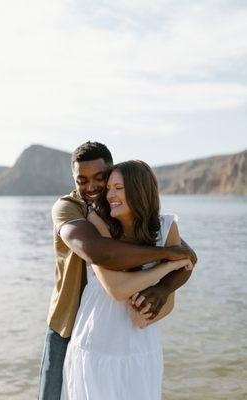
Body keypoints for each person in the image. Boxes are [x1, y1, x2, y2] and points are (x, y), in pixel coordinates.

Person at [38, 142, 197, 400]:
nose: (92, 187)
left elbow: (186, 258)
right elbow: (98, 251)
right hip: (69, 322)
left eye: (102, 179)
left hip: (131, 340)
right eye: (82, 180)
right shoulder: (71, 209)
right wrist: (169, 258)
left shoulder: (151, 222)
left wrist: (164, 287)